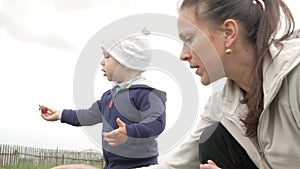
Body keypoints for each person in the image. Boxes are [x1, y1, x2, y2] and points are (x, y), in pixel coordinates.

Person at [138, 0, 300, 169]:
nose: (183, 55)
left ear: (228, 33)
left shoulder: (295, 76)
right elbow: (176, 165)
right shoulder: (221, 103)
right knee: (211, 139)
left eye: (189, 39)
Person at [41, 32, 167, 169]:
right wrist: (61, 114)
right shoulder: (109, 96)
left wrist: (129, 132)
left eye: (107, 56)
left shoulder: (147, 94)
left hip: (140, 166)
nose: (102, 61)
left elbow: (156, 122)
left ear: (126, 62)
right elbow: (88, 115)